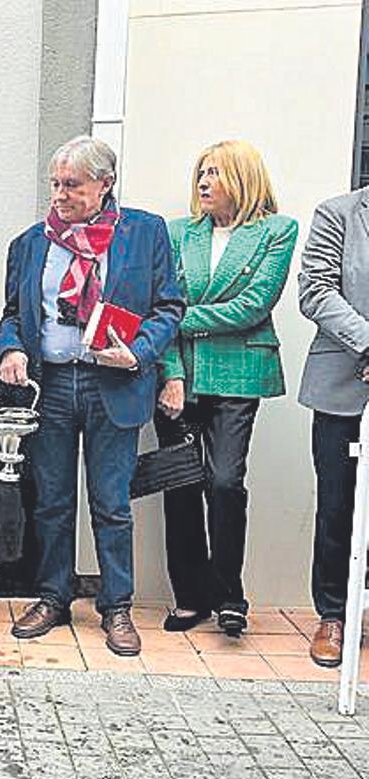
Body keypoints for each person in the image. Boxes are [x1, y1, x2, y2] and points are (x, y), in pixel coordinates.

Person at [0, 135, 184, 657]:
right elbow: (15, 313)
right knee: (52, 501)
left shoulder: (144, 233)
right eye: (55, 184)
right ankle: (53, 596)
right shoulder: (32, 242)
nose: (60, 194)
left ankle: (116, 607)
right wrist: (10, 349)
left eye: (72, 185)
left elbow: (169, 306)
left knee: (111, 503)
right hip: (53, 384)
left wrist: (140, 354)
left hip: (115, 385)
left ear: (105, 184)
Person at [156, 141, 298, 636]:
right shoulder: (177, 233)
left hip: (239, 376)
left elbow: (254, 306)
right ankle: (191, 598)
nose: (202, 182)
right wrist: (170, 372)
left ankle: (229, 594)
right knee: (181, 487)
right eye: (200, 172)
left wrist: (181, 320)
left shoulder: (276, 232)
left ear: (242, 177)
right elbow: (162, 304)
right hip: (181, 378)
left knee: (223, 482)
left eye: (214, 172)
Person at [298, 184, 369, 667]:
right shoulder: (338, 213)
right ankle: (333, 615)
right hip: (343, 389)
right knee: (337, 505)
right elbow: (316, 290)